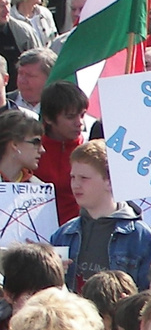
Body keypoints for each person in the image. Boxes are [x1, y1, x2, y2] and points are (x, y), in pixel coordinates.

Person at [48, 140, 151, 293]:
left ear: (109, 181)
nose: (75, 185)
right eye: (73, 177)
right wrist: (49, 272)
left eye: (84, 178)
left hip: (120, 316)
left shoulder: (141, 237)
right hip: (74, 315)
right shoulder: (63, 234)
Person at [34, 80, 86, 223]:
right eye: (70, 117)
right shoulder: (31, 148)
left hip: (78, 234)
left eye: (82, 115)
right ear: (48, 118)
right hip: (37, 234)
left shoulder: (90, 150)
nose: (79, 122)